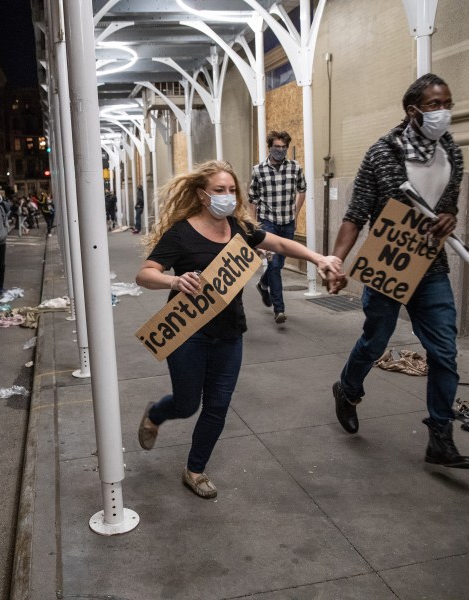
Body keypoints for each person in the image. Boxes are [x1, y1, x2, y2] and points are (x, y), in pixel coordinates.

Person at [135, 160, 342, 499]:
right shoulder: (181, 233)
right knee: (188, 404)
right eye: (219, 191)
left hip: (229, 333)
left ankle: (195, 469)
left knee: (217, 405)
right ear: (203, 195)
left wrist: (318, 258)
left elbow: (282, 245)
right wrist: (174, 279)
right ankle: (156, 413)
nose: (227, 196)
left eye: (232, 190)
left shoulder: (240, 229)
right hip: (186, 332)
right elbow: (145, 273)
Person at [327, 73, 469, 469]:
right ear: (413, 111)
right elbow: (356, 214)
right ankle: (348, 389)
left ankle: (440, 438)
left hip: (431, 267)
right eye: (434, 105)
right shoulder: (381, 154)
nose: (443, 112)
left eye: (448, 103)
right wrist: (336, 260)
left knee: (444, 351)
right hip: (388, 264)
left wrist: (448, 216)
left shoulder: (452, 155)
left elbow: (448, 205)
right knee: (376, 341)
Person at [248, 130, 307, 325]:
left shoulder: (295, 167)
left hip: (287, 222)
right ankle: (279, 309)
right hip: (268, 222)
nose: (280, 150)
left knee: (279, 264)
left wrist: (295, 213)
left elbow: (302, 190)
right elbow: (252, 199)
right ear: (270, 147)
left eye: (283, 147)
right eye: (277, 147)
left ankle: (263, 285)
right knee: (274, 265)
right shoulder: (259, 170)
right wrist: (253, 225)